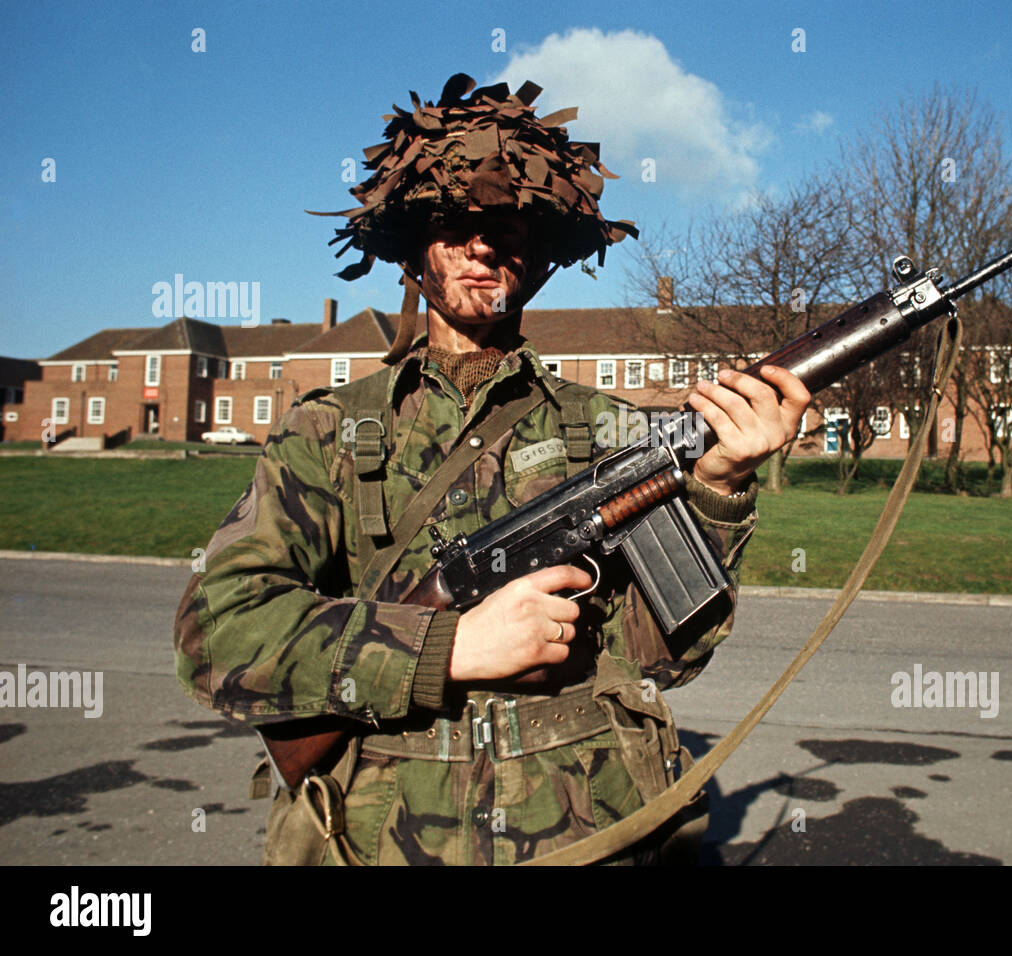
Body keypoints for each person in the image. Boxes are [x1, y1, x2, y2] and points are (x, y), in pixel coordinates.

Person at [173, 74, 810, 865]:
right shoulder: (331, 431)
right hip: (383, 842)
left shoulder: (608, 430)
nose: (482, 245)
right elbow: (218, 632)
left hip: (585, 833)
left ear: (536, 253)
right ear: (414, 249)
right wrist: (447, 646)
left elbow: (663, 658)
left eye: (506, 225)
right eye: (453, 223)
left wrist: (720, 484)